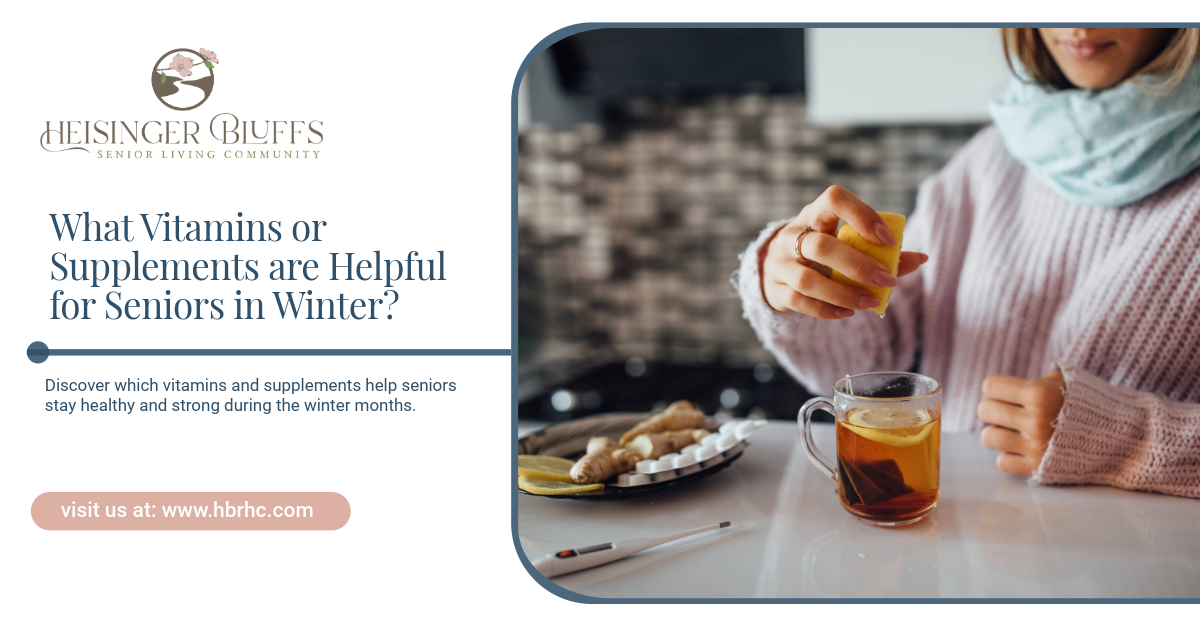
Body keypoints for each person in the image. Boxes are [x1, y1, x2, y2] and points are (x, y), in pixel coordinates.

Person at [736, 28, 1200, 498]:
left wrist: (1122, 439)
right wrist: (798, 285)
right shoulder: (988, 162)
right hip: (956, 552)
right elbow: (871, 362)